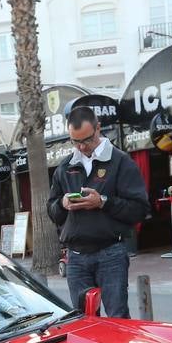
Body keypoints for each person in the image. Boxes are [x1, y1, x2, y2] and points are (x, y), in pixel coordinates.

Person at [47, 106, 149, 317]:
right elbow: (52, 211)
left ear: (98, 128)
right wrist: (63, 204)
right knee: (84, 322)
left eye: (87, 139)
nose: (82, 147)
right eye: (76, 141)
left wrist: (103, 202)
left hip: (110, 253)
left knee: (117, 318)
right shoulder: (64, 167)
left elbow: (140, 209)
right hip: (75, 257)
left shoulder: (121, 162)